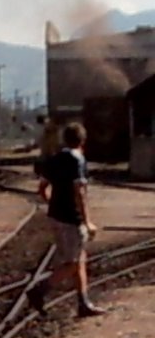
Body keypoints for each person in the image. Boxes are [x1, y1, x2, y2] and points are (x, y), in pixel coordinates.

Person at [29, 122, 104, 318]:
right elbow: (79, 191)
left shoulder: (54, 159)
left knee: (79, 259)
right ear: (83, 141)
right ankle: (40, 290)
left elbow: (41, 188)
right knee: (72, 263)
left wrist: (53, 203)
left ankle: (83, 303)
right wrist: (87, 221)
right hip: (72, 218)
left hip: (56, 216)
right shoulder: (77, 160)